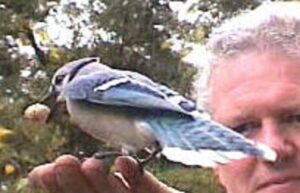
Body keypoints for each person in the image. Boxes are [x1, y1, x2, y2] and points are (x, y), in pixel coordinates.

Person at [28, 1, 300, 193]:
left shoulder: (82, 86)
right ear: (219, 167)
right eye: (241, 129)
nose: (273, 149)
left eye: (297, 118)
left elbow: (139, 99)